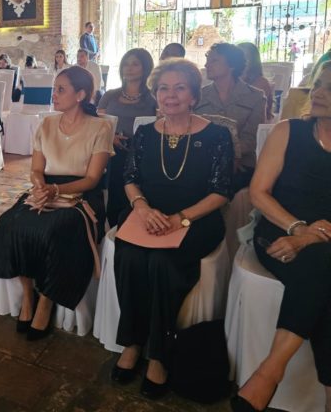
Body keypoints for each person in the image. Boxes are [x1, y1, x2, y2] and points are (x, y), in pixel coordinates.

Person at [112, 59, 233, 399]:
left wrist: (181, 218)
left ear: (193, 95)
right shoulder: (146, 133)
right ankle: (133, 342)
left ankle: (159, 353)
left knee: (162, 264)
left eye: (180, 88)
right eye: (164, 88)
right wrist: (142, 207)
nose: (170, 95)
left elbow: (220, 191)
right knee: (130, 257)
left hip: (196, 219)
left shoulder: (217, 136)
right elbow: (130, 178)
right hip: (147, 215)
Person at [232, 61, 331, 412]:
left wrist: (307, 240)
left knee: (322, 263)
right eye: (318, 84)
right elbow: (259, 192)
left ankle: (269, 371)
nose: (318, 93)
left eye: (329, 88)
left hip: (320, 243)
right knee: (324, 265)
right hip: (276, 233)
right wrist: (298, 229)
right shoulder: (289, 131)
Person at [0, 66, 113, 340]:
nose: (54, 95)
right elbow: (36, 169)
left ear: (80, 94)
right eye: (54, 89)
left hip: (81, 194)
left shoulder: (100, 127)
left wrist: (56, 189)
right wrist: (41, 187)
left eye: (61, 89)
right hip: (47, 188)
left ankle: (46, 300)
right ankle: (27, 296)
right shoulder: (46, 124)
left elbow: (92, 179)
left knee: (57, 229)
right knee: (9, 224)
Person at [98, 48, 157, 227]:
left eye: (135, 64)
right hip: (114, 150)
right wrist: (111, 137)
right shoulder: (110, 96)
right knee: (116, 188)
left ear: (145, 68)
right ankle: (115, 224)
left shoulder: (153, 98)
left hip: (144, 153)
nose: (128, 68)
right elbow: (98, 125)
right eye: (126, 64)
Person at [195, 43, 266, 191]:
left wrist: (229, 157)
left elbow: (250, 139)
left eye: (214, 60)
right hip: (203, 161)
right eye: (208, 59)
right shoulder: (198, 96)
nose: (207, 64)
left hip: (241, 165)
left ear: (232, 65)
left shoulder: (255, 97)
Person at [238, 42, 274, 121]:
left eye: (244, 57)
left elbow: (245, 110)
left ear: (253, 60)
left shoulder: (261, 83)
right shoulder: (232, 79)